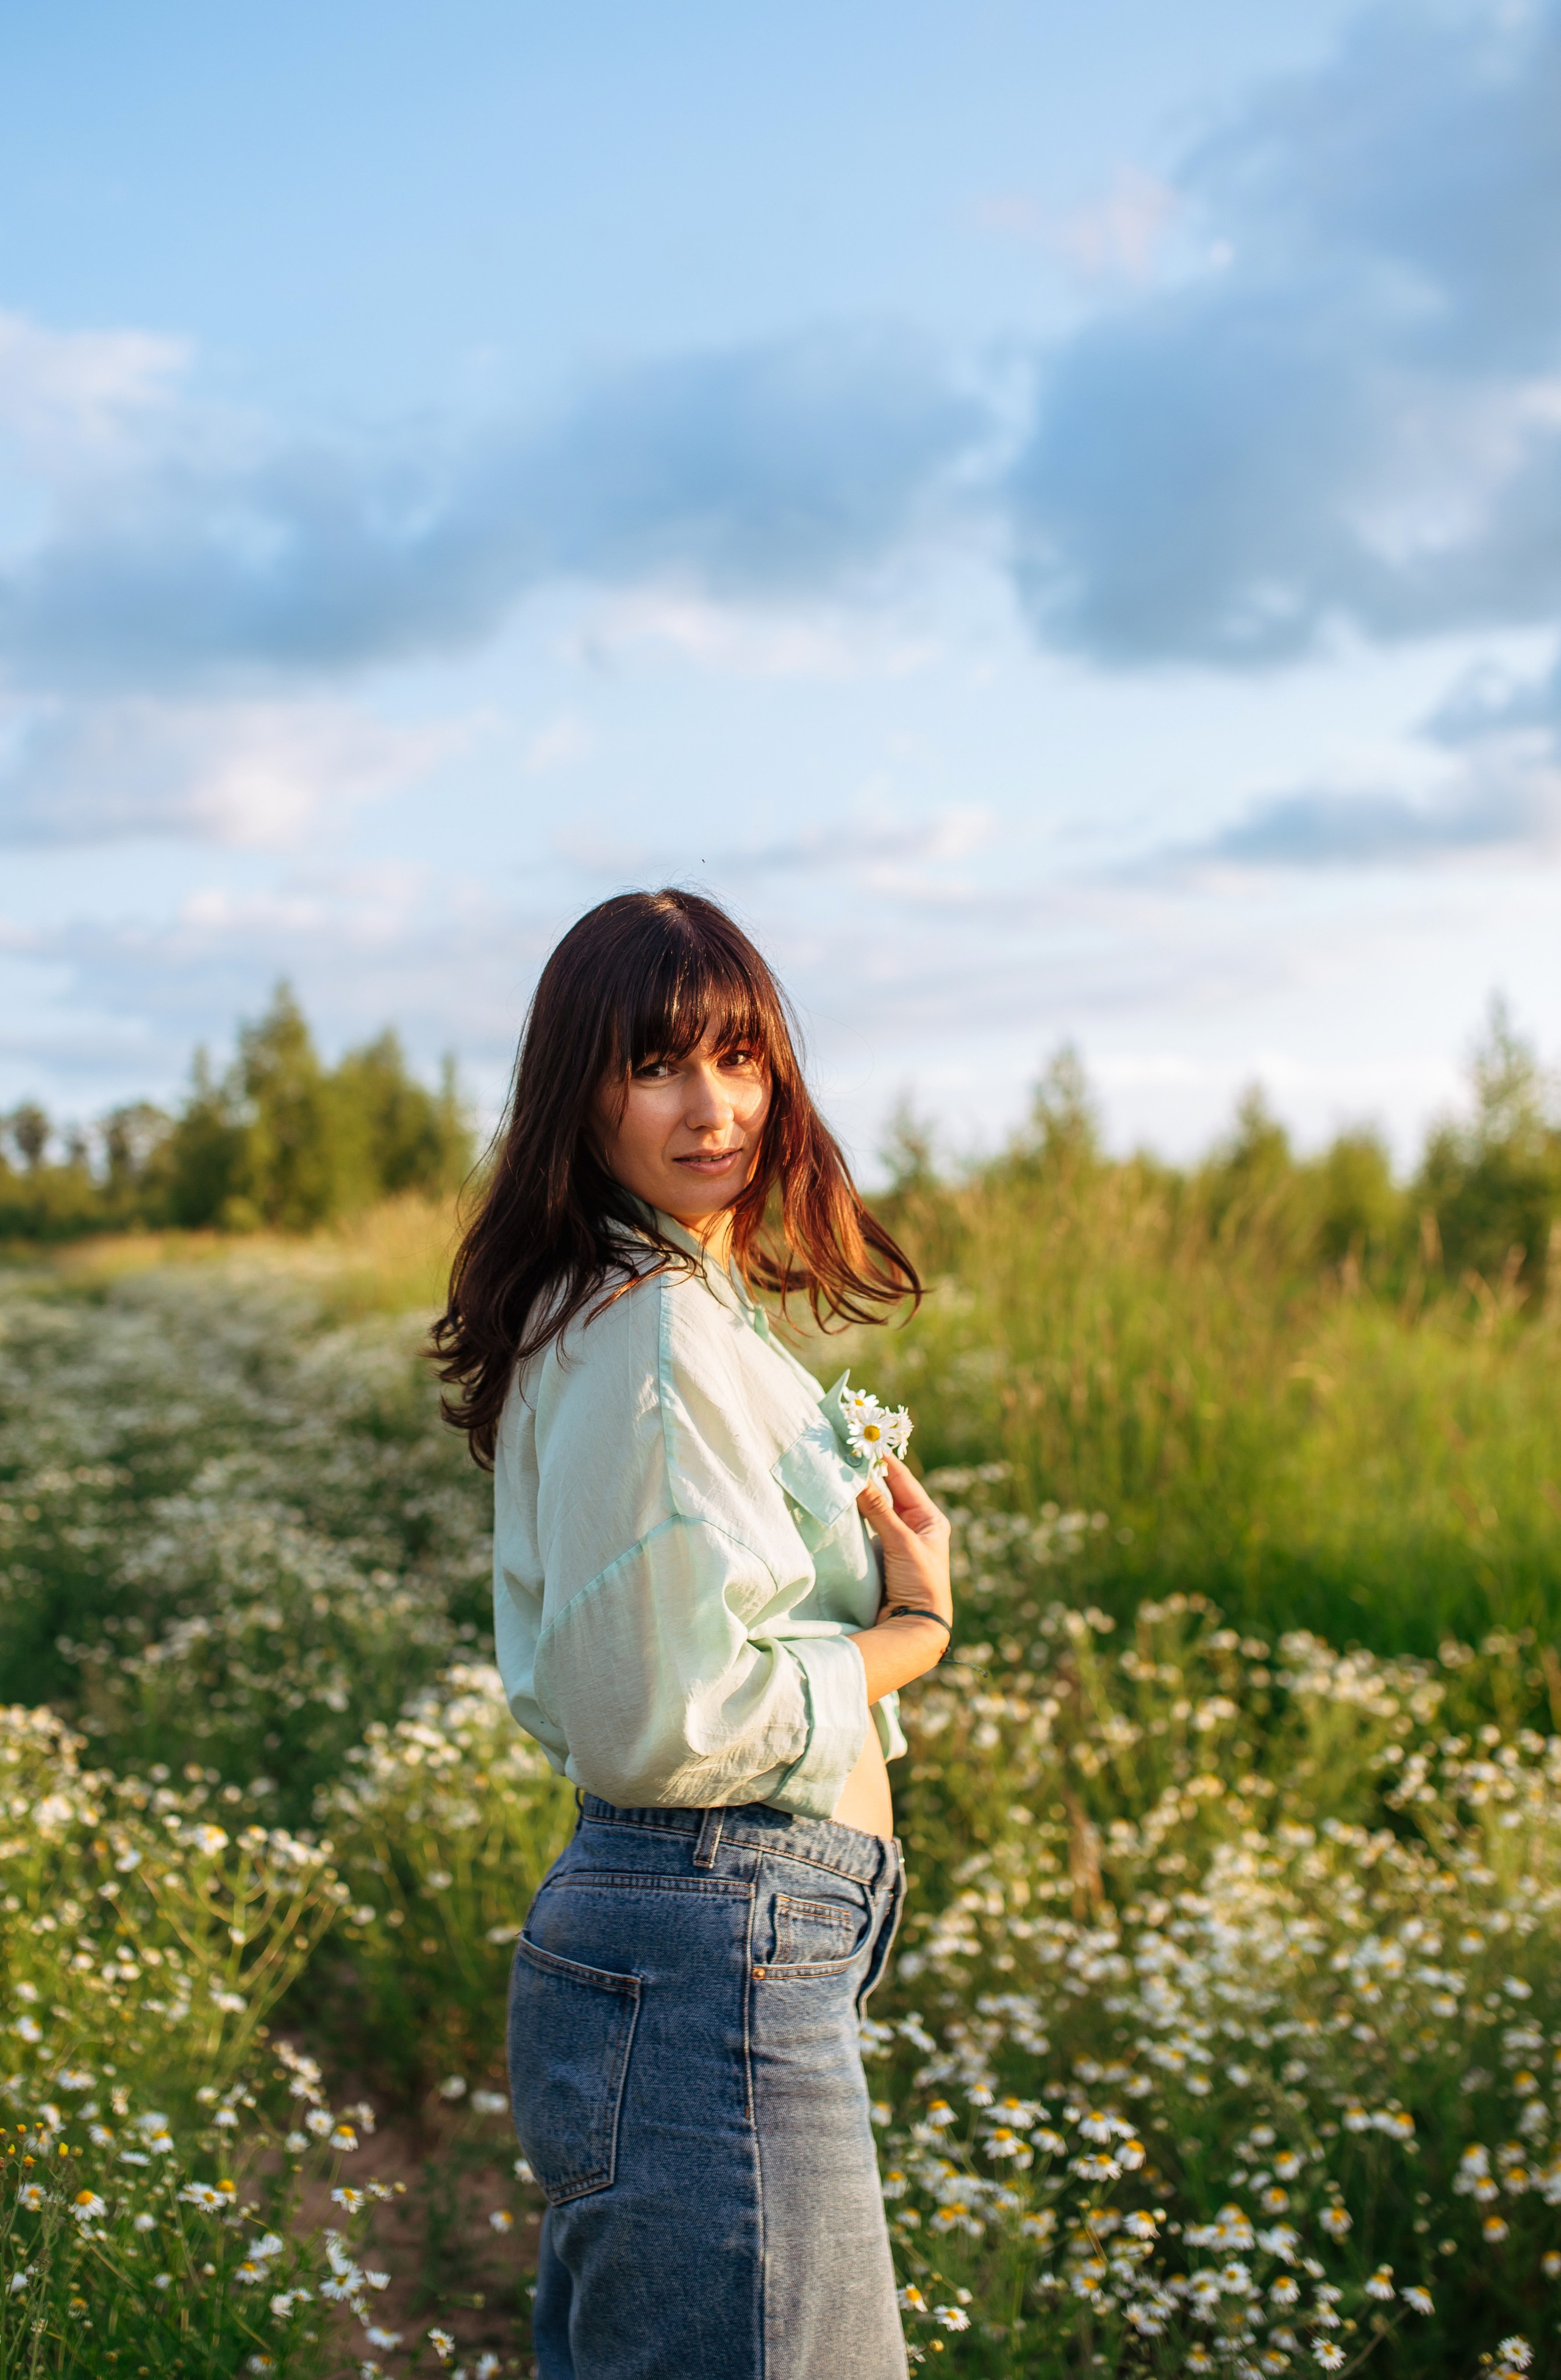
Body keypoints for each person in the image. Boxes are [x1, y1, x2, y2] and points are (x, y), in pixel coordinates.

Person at [433, 888, 954, 2380]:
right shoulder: (652, 1323)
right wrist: (910, 1627)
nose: (714, 1106)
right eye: (657, 1064)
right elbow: (680, 1719)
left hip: (712, 1946)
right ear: (576, 1093)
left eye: (741, 1056)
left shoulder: (668, 1303)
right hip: (710, 1934)